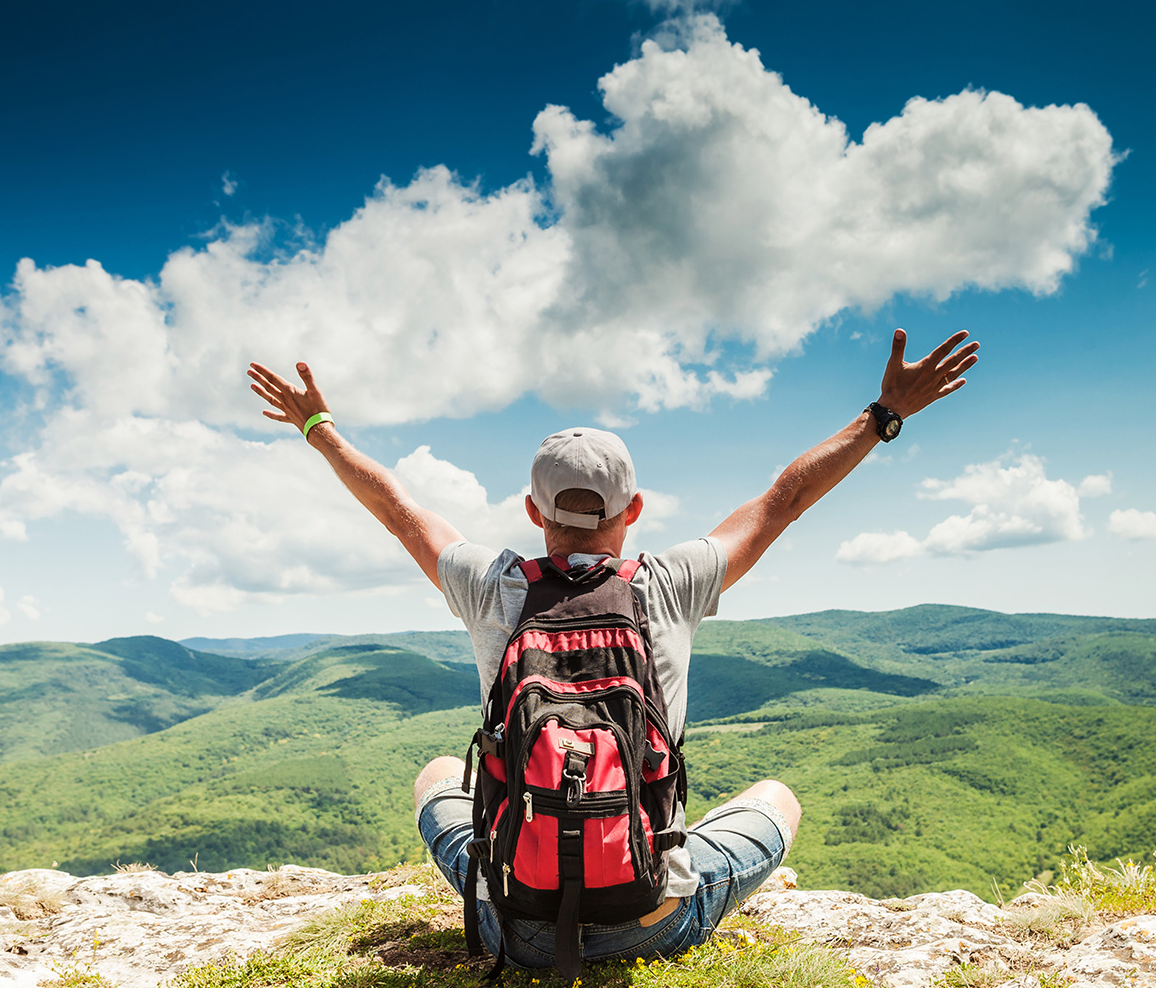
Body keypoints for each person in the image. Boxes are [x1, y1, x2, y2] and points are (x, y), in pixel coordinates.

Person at [246, 327, 978, 968]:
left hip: (518, 928)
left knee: (439, 771)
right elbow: (781, 499)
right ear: (634, 509)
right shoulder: (668, 584)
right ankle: (670, 886)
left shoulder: (491, 586)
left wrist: (317, 424)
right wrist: (884, 415)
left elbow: (400, 511)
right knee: (775, 798)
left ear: (533, 511)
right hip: (652, 920)